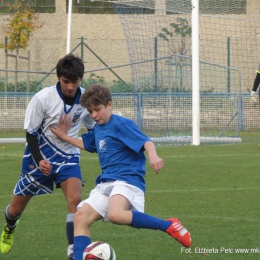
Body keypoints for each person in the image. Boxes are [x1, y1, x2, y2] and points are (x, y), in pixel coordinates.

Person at [50, 84, 192, 260]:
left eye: (97, 109)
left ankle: (169, 225)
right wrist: (63, 136)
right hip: (106, 182)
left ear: (109, 105)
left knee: (115, 214)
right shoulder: (98, 129)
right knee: (80, 217)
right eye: (90, 111)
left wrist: (153, 156)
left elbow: (146, 142)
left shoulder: (121, 124)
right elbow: (87, 145)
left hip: (128, 180)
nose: (94, 115)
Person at [0, 54, 96, 260]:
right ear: (58, 77)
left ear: (81, 79)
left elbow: (91, 127)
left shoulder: (85, 100)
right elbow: (31, 134)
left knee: (75, 198)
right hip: (38, 159)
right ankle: (9, 226)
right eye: (65, 81)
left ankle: (74, 251)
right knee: (15, 210)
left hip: (68, 158)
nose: (70, 87)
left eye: (75, 82)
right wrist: (39, 160)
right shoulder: (43, 97)